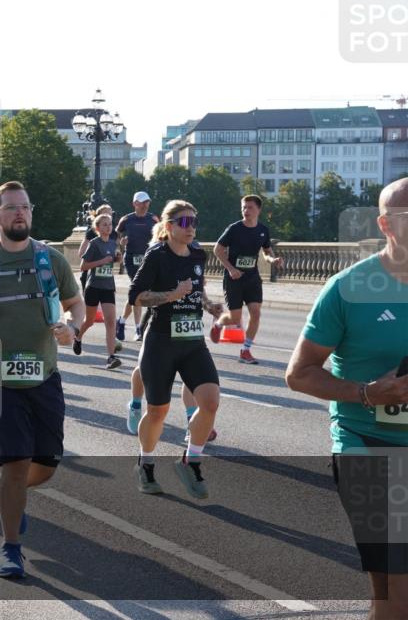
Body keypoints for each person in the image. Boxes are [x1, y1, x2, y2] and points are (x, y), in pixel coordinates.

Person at [285, 177, 408, 619]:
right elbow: (298, 374)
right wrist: (367, 393)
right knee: (398, 595)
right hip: (367, 445)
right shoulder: (348, 288)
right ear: (386, 225)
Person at [0, 180, 84, 579]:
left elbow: (74, 303)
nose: (19, 213)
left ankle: (5, 488)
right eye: (11, 207)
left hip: (44, 375)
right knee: (17, 462)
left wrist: (73, 328)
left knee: (45, 465)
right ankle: (10, 547)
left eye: (25, 207)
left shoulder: (51, 260)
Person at [128, 200, 224, 500]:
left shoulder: (197, 254)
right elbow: (138, 297)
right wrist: (172, 295)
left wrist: (209, 307)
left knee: (210, 402)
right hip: (161, 341)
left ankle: (190, 460)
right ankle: (145, 463)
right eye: (184, 222)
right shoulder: (157, 255)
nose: (191, 227)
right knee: (158, 411)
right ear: (169, 226)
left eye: (194, 222)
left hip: (193, 342)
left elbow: (197, 288)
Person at [210, 195, 284, 365]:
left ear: (259, 210)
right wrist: (231, 269)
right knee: (235, 318)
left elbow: (266, 251)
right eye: (243, 207)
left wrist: (273, 260)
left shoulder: (263, 230)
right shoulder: (234, 229)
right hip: (233, 279)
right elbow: (217, 250)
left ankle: (246, 350)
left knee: (256, 313)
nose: (246, 211)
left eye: (250, 207)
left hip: (252, 277)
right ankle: (219, 323)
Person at [75, 212, 122, 369]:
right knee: (89, 321)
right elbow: (83, 267)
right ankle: (78, 337)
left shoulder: (113, 243)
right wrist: (102, 261)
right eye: (105, 225)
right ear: (97, 228)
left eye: (110, 224)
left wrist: (118, 259)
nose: (108, 227)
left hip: (108, 287)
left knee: (110, 322)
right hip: (94, 286)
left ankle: (111, 357)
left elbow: (112, 261)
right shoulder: (94, 243)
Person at [116, 191, 159, 342]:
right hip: (131, 258)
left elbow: (161, 236)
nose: (146, 205)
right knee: (139, 291)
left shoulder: (153, 219)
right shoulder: (126, 219)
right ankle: (138, 329)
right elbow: (116, 235)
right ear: (135, 203)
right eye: (142, 202)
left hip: (148, 258)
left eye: (147, 202)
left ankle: (121, 321)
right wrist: (121, 242)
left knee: (136, 292)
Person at [77, 204, 113, 292]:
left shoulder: (113, 233)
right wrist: (98, 259)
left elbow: (111, 255)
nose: (108, 216)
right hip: (90, 276)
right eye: (105, 214)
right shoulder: (91, 233)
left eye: (110, 214)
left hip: (106, 279)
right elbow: (81, 253)